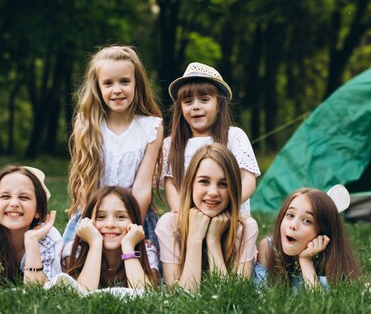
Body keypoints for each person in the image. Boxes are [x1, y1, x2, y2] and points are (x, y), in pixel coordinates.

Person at [63, 45, 163, 253]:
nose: (117, 89)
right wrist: (93, 225)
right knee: (74, 267)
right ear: (98, 87)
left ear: (138, 84)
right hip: (93, 214)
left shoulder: (151, 127)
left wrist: (132, 227)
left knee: (145, 271)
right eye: (108, 83)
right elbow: (86, 181)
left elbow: (143, 186)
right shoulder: (86, 124)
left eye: (125, 81)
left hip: (135, 215)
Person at [156, 143, 258, 291]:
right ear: (190, 184)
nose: (213, 192)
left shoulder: (246, 227)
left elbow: (233, 295)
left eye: (223, 184)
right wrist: (195, 238)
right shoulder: (169, 224)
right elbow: (181, 296)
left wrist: (213, 240)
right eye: (204, 181)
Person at [163, 62, 259, 215]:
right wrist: (183, 213)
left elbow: (248, 179)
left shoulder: (233, 137)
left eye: (204, 100)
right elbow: (171, 185)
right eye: (188, 101)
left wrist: (226, 205)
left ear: (219, 105)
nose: (195, 106)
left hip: (228, 214)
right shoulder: (171, 144)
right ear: (180, 108)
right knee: (165, 222)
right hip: (189, 218)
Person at [255, 187, 361, 291]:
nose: (293, 225)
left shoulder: (330, 261)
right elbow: (259, 291)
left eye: (306, 221)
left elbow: (320, 305)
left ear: (323, 232)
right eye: (290, 215)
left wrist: (306, 261)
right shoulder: (269, 247)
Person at [62, 186, 158, 290]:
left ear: (134, 222)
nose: (110, 224)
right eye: (101, 217)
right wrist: (95, 243)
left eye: (121, 217)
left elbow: (145, 296)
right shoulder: (75, 251)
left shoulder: (146, 252)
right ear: (88, 221)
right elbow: (82, 292)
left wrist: (128, 247)